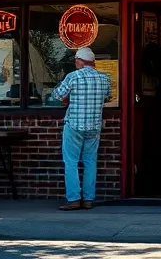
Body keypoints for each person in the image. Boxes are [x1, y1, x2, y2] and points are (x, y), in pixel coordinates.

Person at [51, 46, 111, 210]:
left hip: (75, 124)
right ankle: (89, 199)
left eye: (76, 60)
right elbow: (108, 97)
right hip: (94, 126)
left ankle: (74, 199)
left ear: (80, 60)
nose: (75, 63)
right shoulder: (104, 78)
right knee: (90, 162)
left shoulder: (73, 77)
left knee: (71, 162)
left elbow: (57, 95)